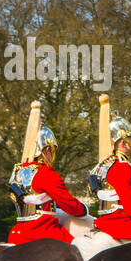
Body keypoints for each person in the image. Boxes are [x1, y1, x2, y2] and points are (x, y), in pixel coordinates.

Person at [7, 101, 87, 245]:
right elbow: (70, 205)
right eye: (52, 150)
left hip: (17, 234)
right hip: (44, 234)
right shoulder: (45, 172)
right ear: (47, 150)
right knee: (81, 253)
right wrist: (84, 209)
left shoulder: (17, 171)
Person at [89, 97, 131, 243]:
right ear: (122, 142)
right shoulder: (121, 166)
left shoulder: (103, 165)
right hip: (121, 225)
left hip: (102, 221)